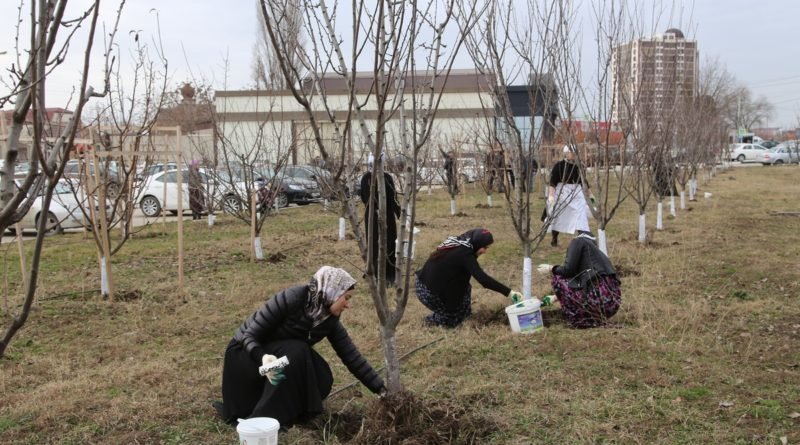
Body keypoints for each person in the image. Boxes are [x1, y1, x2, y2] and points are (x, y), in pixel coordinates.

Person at [214, 266, 386, 428]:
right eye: (346, 298)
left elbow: (352, 356)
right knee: (298, 351)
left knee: (322, 376)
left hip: (279, 359)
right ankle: (262, 420)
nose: (347, 304)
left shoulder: (328, 319)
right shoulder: (292, 298)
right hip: (246, 356)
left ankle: (291, 412)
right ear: (332, 291)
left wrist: (381, 389)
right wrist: (263, 359)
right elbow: (249, 336)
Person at [415, 228, 523, 328]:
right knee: (452, 322)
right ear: (477, 243)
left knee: (464, 285)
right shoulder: (464, 254)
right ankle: (432, 320)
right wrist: (510, 292)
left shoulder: (461, 243)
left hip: (423, 285)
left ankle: (459, 314)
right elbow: (484, 280)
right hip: (429, 294)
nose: (485, 251)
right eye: (484, 247)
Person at [537, 231, 621, 328]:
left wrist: (551, 268)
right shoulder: (596, 254)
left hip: (599, 300)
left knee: (558, 278)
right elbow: (581, 281)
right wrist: (556, 297)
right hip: (613, 303)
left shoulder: (578, 242)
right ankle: (592, 318)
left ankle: (577, 319)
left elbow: (568, 270)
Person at [360, 153, 401, 284]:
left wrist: (400, 212)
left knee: (388, 243)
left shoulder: (386, 178)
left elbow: (393, 198)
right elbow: (365, 198)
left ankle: (389, 273)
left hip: (384, 216)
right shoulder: (367, 178)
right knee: (374, 243)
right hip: (373, 216)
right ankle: (377, 272)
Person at [544, 145, 593, 247]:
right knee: (556, 215)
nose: (574, 154)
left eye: (575, 152)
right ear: (566, 153)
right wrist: (551, 197)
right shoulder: (559, 166)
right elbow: (553, 182)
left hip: (575, 194)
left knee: (580, 213)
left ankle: (583, 236)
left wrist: (590, 195)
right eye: (572, 152)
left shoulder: (578, 167)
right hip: (561, 193)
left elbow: (583, 182)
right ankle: (554, 238)